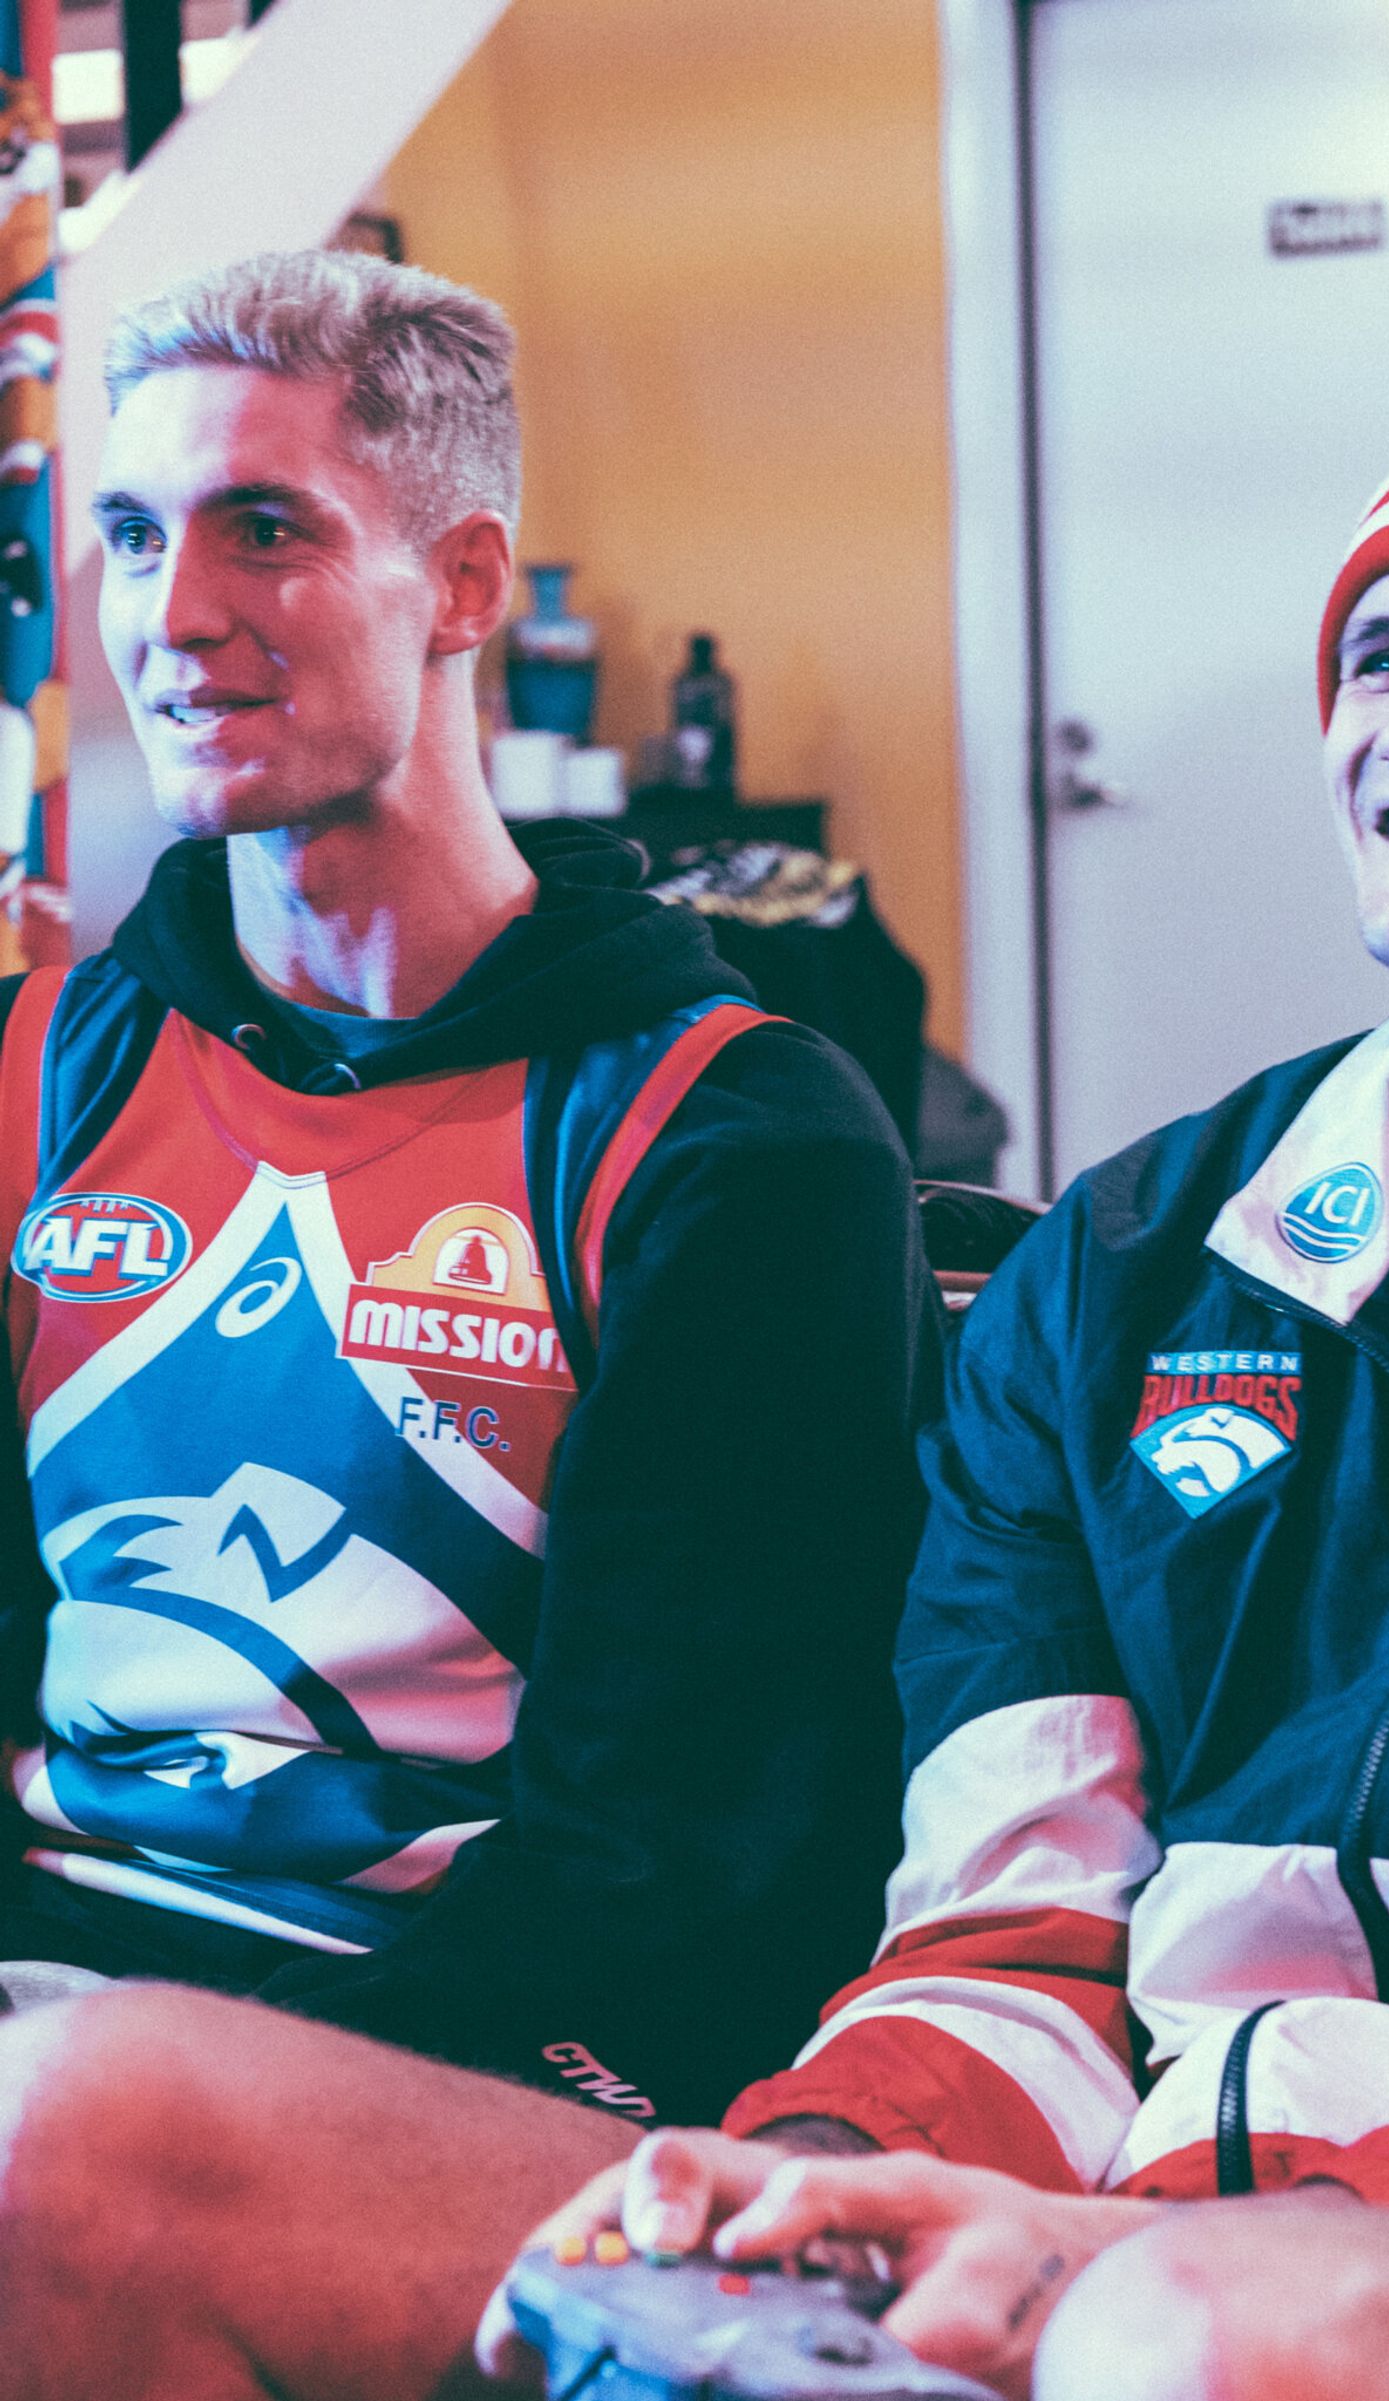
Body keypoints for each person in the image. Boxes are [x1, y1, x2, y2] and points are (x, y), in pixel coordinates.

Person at [0, 393, 1389, 2401]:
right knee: (79, 2129)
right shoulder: (1126, 1265)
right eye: (1374, 654)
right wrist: (834, 2167)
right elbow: (1010, 1934)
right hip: (1091, 2244)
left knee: (1203, 2343)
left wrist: (1123, 2251)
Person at [0, 247, 935, 2122]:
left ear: (466, 584)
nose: (174, 614)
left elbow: (678, 1865)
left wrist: (149, 2081)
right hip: (55, 1986)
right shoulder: (36, 1072)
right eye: (133, 533)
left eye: (266, 530)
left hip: (478, 2048)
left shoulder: (734, 1140)